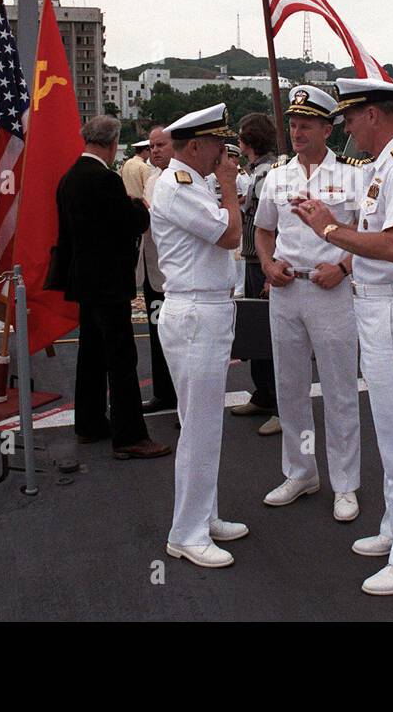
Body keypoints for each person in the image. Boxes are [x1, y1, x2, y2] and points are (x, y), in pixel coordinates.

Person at [293, 77, 393, 597]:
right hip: (379, 307)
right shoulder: (384, 165)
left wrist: (329, 231)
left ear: (373, 116)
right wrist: (337, 244)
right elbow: (374, 243)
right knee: (391, 428)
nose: (347, 127)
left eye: (351, 118)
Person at [255, 85, 366, 522]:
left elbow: (369, 232)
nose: (296, 132)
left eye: (306, 125)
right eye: (293, 124)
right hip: (286, 291)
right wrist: (266, 264)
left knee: (340, 390)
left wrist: (343, 267)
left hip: (331, 290)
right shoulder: (278, 176)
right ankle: (301, 471)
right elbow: (263, 230)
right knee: (290, 388)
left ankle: (345, 483)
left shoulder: (354, 175)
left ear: (327, 127)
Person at [152, 103, 248, 569]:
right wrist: (229, 186)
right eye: (216, 145)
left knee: (204, 422)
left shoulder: (193, 185)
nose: (222, 154)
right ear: (195, 146)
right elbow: (231, 237)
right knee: (200, 428)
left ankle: (203, 515)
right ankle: (185, 532)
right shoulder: (179, 185)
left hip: (207, 308)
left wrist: (224, 187)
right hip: (194, 312)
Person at [49, 117, 171, 461]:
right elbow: (128, 223)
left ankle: (89, 423)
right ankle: (129, 434)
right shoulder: (104, 179)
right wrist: (138, 208)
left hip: (84, 280)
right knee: (121, 359)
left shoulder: (69, 178)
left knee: (91, 353)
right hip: (108, 282)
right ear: (112, 142)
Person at [229, 113, 281, 436]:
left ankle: (278, 403)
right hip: (251, 258)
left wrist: (268, 267)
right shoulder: (256, 173)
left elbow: (269, 227)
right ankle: (262, 393)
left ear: (249, 140)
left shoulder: (267, 175)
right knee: (257, 336)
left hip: (260, 261)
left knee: (270, 337)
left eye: (240, 136)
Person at [139, 125, 177, 413]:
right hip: (152, 269)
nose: (155, 151)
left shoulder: (184, 179)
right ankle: (163, 393)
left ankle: (180, 398)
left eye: (161, 145)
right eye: (152, 146)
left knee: (177, 343)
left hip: (173, 273)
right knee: (156, 337)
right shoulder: (152, 179)